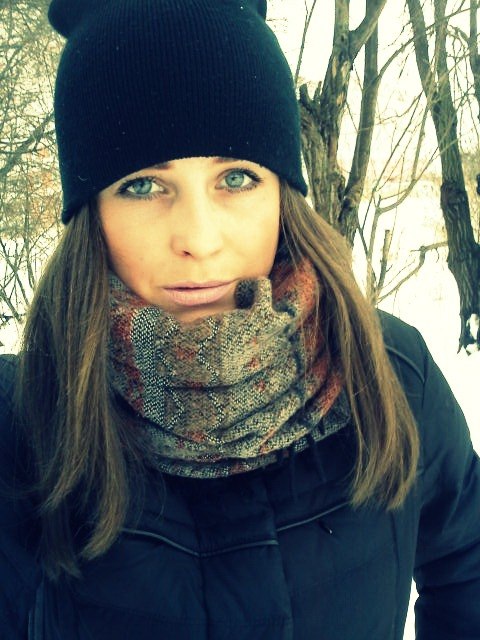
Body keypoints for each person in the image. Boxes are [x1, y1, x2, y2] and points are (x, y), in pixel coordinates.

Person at [0, 0, 479, 638]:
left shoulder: (388, 373)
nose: (199, 239)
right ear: (92, 214)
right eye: (142, 185)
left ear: (282, 193)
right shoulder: (24, 421)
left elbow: (467, 568)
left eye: (236, 177)